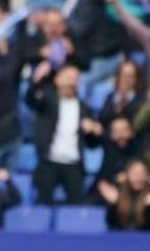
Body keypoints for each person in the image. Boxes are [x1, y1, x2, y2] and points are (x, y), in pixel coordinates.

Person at [26, 63, 102, 205]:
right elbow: (30, 100)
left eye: (74, 78)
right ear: (57, 79)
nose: (70, 81)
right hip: (49, 161)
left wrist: (95, 132)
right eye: (67, 77)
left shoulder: (85, 108)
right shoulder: (47, 101)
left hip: (74, 164)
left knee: (77, 206)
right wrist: (36, 80)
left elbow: (92, 143)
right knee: (42, 204)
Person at [98, 159, 150, 231]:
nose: (138, 178)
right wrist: (113, 204)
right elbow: (112, 225)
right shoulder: (117, 193)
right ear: (127, 175)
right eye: (135, 174)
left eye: (142, 174)